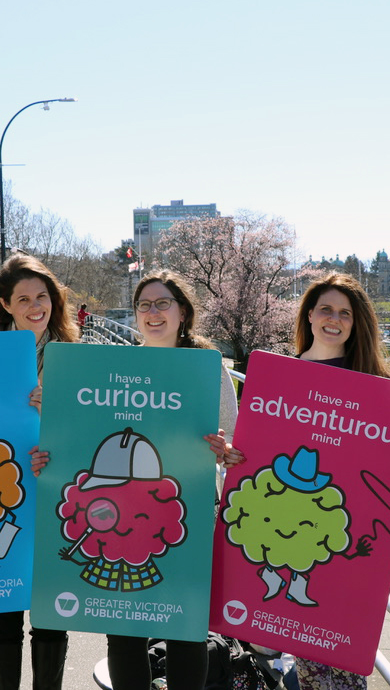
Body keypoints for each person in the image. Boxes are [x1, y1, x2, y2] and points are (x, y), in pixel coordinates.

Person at [291, 272, 390, 690]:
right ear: (309, 315)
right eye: (325, 309)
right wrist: (234, 454)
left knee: (346, 657)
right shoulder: (281, 376)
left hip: (353, 537)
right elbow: (263, 448)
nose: (334, 320)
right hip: (297, 532)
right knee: (310, 661)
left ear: (356, 323)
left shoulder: (375, 384)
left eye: (345, 313)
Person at [104, 269, 242, 690]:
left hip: (189, 512)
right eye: (144, 305)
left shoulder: (208, 369)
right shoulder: (115, 368)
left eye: (163, 303)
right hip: (122, 513)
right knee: (123, 628)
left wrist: (223, 450)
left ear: (182, 312)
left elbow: (234, 443)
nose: (153, 312)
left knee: (185, 624)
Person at [0, 253, 80, 690]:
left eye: (42, 296)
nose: (35, 306)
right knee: (2, 611)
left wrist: (56, 413)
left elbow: (92, 434)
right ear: (5, 304)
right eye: (23, 299)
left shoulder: (75, 359)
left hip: (56, 496)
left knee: (51, 614)